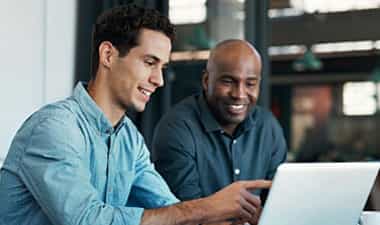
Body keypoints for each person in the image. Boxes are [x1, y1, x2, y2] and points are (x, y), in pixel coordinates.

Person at [0, 5, 270, 225]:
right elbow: (88, 220)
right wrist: (207, 207)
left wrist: (224, 217)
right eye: (150, 62)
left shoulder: (129, 138)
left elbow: (171, 210)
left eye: (163, 66)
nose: (159, 80)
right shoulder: (55, 129)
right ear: (108, 55)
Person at [152, 40, 287, 209]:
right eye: (228, 82)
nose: (239, 94)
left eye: (250, 84)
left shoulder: (268, 127)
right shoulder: (177, 128)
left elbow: (279, 203)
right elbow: (186, 212)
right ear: (207, 81)